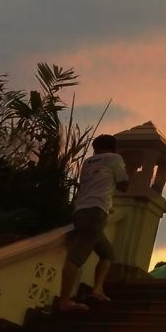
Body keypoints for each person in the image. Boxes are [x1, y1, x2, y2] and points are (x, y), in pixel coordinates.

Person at [56, 133, 129, 312]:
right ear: (113, 148)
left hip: (81, 211)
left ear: (95, 148)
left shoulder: (88, 162)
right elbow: (124, 184)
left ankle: (97, 290)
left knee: (107, 254)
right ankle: (64, 301)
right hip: (96, 211)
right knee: (75, 257)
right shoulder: (114, 158)